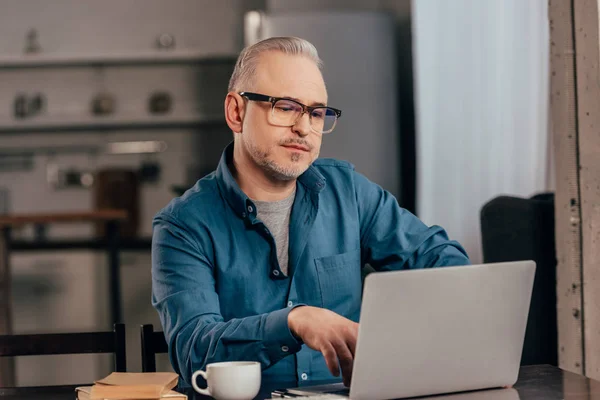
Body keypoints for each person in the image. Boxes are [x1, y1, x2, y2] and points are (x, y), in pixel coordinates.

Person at [151, 36, 470, 388]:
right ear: (236, 112)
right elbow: (194, 350)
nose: (304, 128)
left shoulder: (349, 193)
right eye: (286, 107)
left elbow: (443, 262)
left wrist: (400, 337)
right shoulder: (182, 225)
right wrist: (292, 322)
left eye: (316, 113)